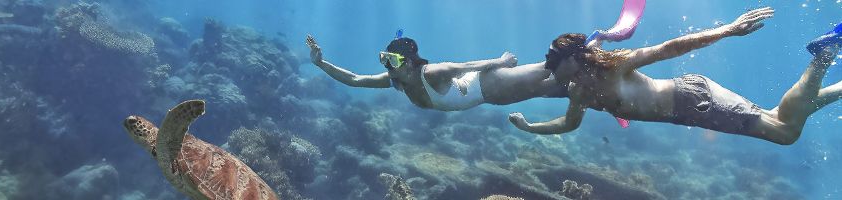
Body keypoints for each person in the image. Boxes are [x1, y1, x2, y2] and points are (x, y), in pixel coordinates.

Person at [508, 7, 842, 145]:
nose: (550, 65)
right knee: (780, 120)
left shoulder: (614, 65)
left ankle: (824, 55)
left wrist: (727, 30)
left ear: (575, 57)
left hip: (694, 101)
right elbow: (569, 124)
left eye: (554, 58)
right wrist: (529, 127)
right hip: (690, 108)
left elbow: (670, 47)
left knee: (785, 132)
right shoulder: (579, 90)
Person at [306, 34, 567, 111]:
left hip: (489, 81)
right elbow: (354, 79)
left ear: (409, 62)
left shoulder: (429, 73)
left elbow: (462, 67)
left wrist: (499, 61)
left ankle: (586, 46)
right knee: (556, 87)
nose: (387, 66)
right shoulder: (396, 81)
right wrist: (320, 62)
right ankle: (596, 81)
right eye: (384, 59)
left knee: (549, 68)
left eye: (392, 60)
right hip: (490, 97)